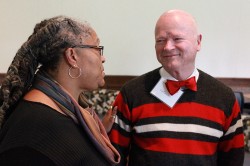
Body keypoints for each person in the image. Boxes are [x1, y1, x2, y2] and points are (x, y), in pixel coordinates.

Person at [108, 9, 245, 166]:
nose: (167, 47)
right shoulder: (131, 93)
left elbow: (233, 161)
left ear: (198, 42)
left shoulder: (224, 98)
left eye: (177, 38)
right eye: (160, 40)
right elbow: (114, 157)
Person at [0, 15, 120, 165]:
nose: (103, 58)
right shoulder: (35, 128)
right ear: (72, 56)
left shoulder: (71, 112)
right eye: (97, 48)